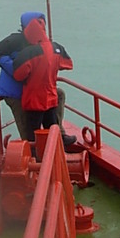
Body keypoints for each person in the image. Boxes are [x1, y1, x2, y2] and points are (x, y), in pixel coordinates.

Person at [0, 11, 74, 145]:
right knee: (28, 126)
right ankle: (31, 150)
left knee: (58, 95)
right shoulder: (14, 41)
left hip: (35, 88)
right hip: (15, 91)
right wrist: (15, 69)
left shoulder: (41, 44)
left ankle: (59, 134)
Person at [13, 15, 74, 148]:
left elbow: (18, 75)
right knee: (52, 131)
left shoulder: (28, 53)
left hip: (34, 100)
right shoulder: (56, 48)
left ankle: (36, 160)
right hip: (51, 97)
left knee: (33, 136)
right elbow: (68, 64)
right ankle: (57, 156)